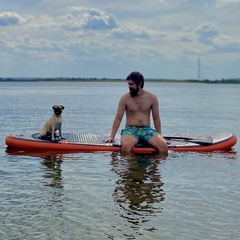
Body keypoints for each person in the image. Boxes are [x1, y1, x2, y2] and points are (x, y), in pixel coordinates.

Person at [105, 71, 168, 156]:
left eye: (131, 84)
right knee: (126, 148)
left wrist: (160, 136)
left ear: (140, 83)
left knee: (163, 147)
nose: (129, 87)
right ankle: (131, 168)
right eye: (128, 84)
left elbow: (156, 118)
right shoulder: (125, 98)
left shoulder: (152, 98)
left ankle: (154, 168)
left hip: (146, 130)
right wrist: (112, 136)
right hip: (131, 130)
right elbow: (118, 118)